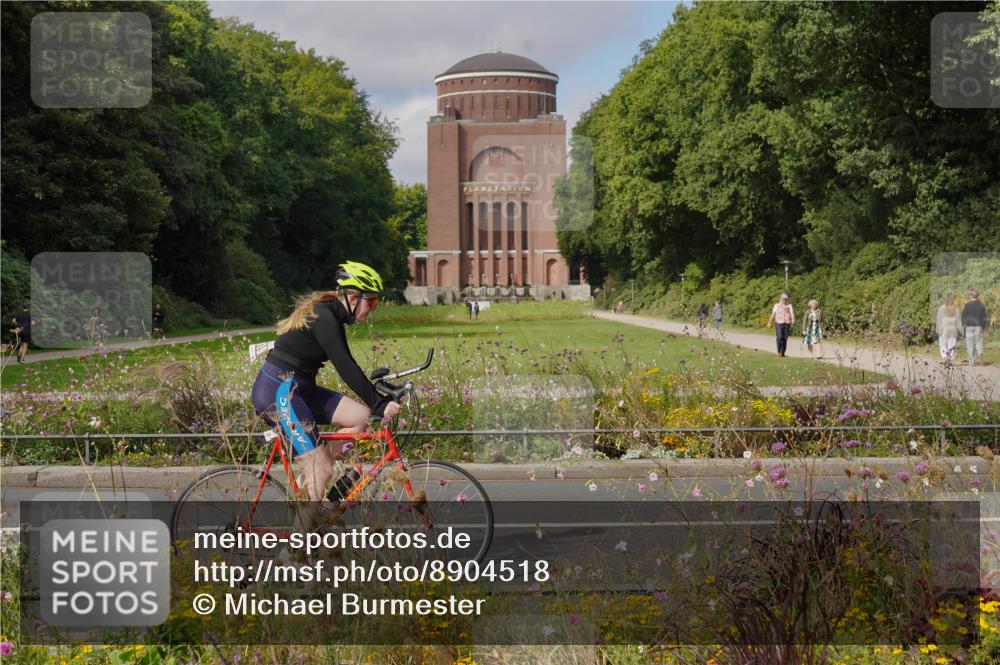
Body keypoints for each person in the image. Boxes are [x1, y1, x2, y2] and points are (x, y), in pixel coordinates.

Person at [250, 261, 402, 509]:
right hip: (278, 393)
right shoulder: (324, 317)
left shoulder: (332, 316)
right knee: (322, 469)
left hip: (300, 389)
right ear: (353, 297)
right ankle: (297, 547)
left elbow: (349, 364)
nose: (372, 309)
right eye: (371, 302)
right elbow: (345, 366)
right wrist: (380, 403)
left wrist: (377, 400)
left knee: (360, 417)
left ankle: (307, 479)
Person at [961, 289, 989, 366]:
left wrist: (963, 326)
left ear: (971, 295)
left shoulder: (967, 305)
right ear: (977, 296)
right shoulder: (982, 305)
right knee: (979, 341)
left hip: (969, 326)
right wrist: (983, 327)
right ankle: (980, 355)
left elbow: (963, 317)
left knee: (970, 343)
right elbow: (984, 318)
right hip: (979, 326)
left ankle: (971, 362)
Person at [935, 295, 963, 364]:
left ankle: (944, 357)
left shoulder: (941, 308)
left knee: (943, 344)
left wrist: (938, 330)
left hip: (943, 329)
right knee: (952, 345)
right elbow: (958, 321)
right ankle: (950, 359)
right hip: (953, 330)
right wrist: (961, 330)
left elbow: (938, 320)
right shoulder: (956, 309)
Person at [766, 293, 795, 357]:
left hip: (787, 323)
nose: (784, 301)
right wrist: (769, 322)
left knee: (785, 338)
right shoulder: (776, 305)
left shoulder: (789, 306)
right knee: (779, 337)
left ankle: (783, 352)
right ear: (780, 299)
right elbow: (773, 314)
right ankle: (779, 351)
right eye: (783, 299)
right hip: (779, 323)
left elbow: (792, 313)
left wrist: (793, 319)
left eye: (785, 299)